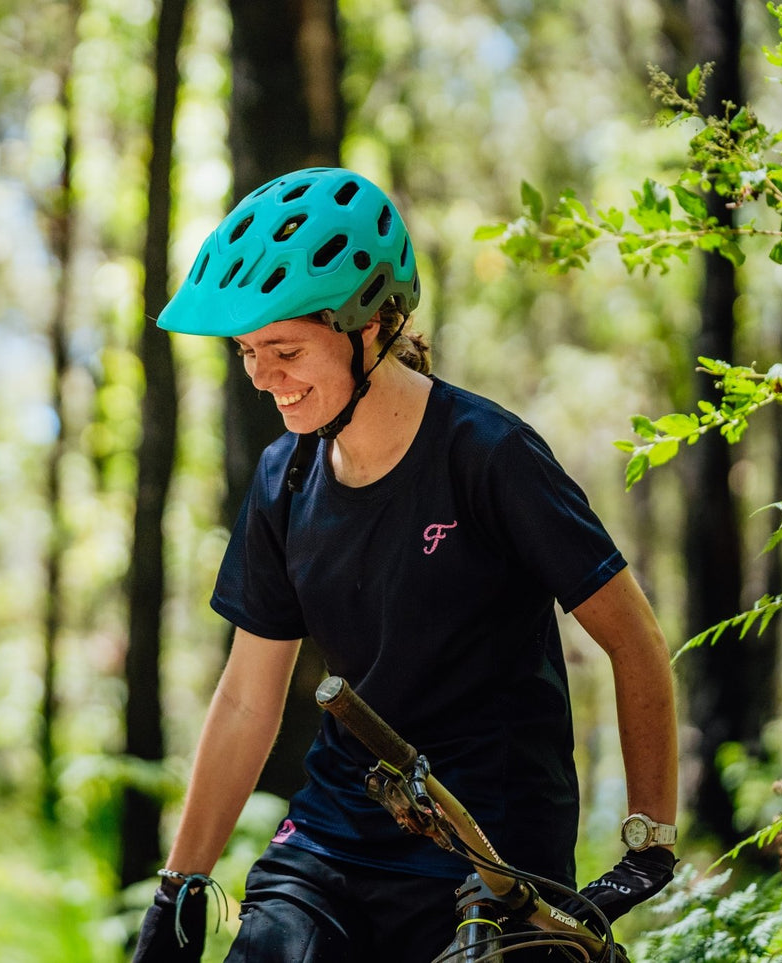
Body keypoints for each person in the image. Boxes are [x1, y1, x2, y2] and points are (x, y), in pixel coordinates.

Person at [131, 168, 679, 962]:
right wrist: (179, 886)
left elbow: (633, 640)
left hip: (491, 851)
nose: (260, 377)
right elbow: (248, 697)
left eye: (284, 349)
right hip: (332, 834)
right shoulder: (284, 478)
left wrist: (648, 846)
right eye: (248, 351)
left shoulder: (489, 456)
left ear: (371, 323)